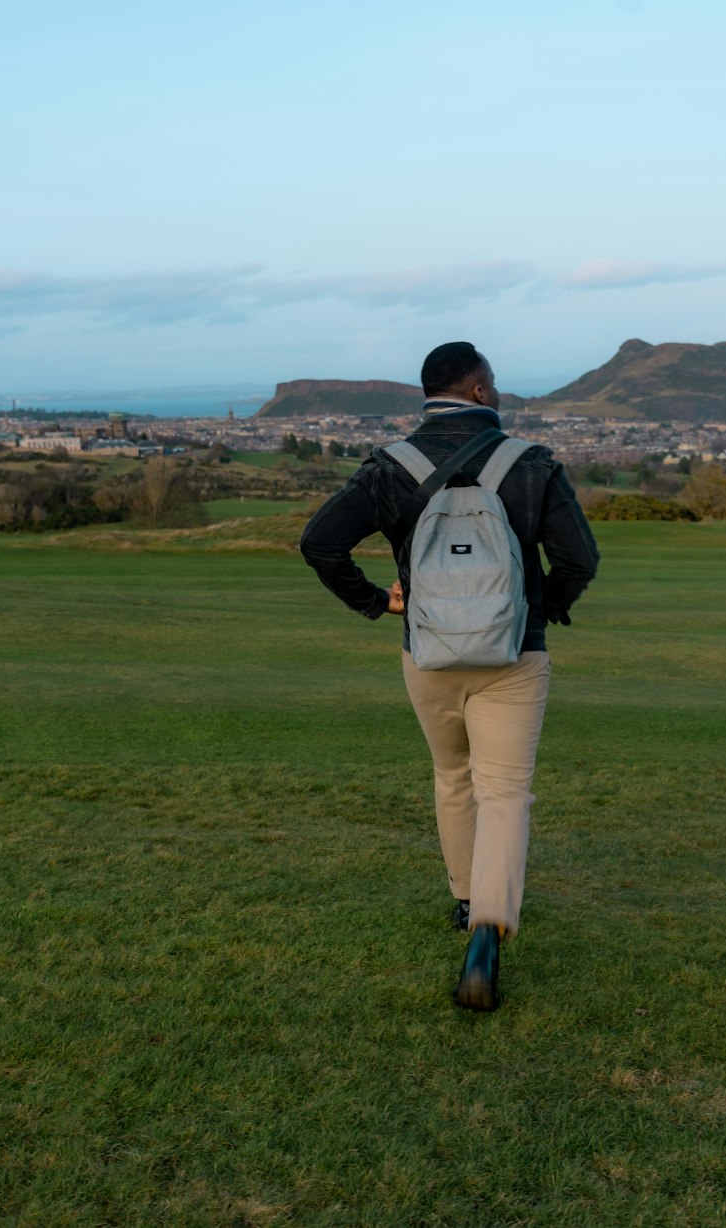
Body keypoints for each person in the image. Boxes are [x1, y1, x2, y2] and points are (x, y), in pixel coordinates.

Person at [300, 342, 599, 1010]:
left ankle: (467, 901)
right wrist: (540, 609)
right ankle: (490, 925)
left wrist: (378, 601)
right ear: (480, 390)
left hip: (428, 654)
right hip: (514, 656)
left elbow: (319, 542)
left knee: (453, 776)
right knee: (505, 793)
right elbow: (580, 559)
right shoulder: (532, 463)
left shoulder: (390, 466)